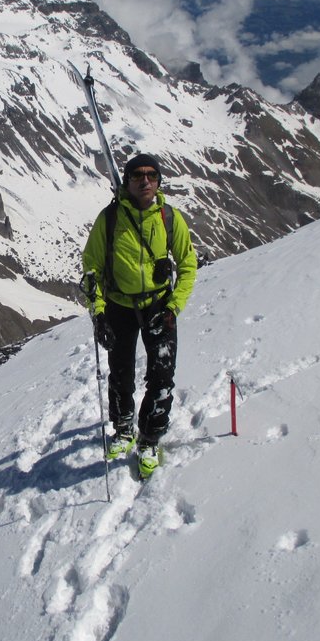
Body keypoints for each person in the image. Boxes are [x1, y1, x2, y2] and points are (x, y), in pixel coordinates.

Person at [82, 153, 198, 478]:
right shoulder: (109, 219)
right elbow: (91, 266)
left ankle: (149, 438)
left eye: (151, 175)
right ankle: (123, 429)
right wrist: (99, 313)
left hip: (159, 306)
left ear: (158, 180)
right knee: (120, 373)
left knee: (162, 377)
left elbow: (188, 264)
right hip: (118, 306)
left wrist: (174, 307)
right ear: (127, 181)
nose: (145, 180)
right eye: (137, 175)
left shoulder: (169, 218)